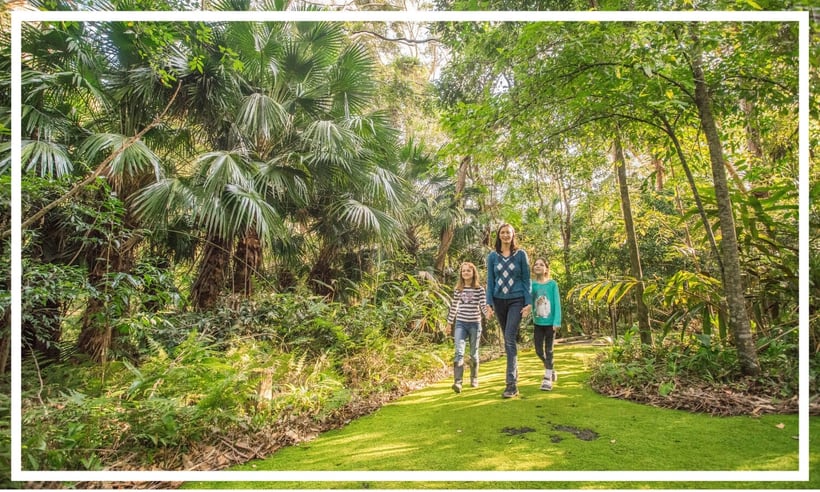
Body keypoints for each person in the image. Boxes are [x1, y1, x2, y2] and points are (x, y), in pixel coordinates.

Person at [485, 223, 531, 398]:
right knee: (507, 339)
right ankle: (515, 374)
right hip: (498, 302)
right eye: (502, 232)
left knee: (510, 338)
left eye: (508, 232)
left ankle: (511, 384)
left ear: (513, 235)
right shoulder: (492, 257)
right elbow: (490, 282)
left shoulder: (520, 255)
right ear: (498, 235)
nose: (505, 235)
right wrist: (488, 304)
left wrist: (528, 303)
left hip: (517, 300)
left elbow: (527, 280)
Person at [445, 262, 490, 393]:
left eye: (468, 271)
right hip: (460, 323)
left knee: (473, 354)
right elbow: (454, 307)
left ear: (473, 273)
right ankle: (458, 382)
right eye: (463, 271)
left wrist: (487, 314)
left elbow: (483, 305)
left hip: (475, 324)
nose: (465, 273)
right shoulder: (458, 289)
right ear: (461, 274)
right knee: (459, 352)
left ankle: (474, 378)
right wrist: (449, 323)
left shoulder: (479, 289)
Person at [531, 257, 562, 391]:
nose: (538, 266)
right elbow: (529, 300)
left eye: (541, 264)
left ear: (546, 269)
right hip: (538, 322)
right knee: (538, 350)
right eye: (536, 264)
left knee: (549, 350)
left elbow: (557, 303)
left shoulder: (552, 284)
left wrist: (557, 321)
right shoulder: (532, 285)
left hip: (550, 323)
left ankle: (547, 378)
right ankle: (550, 367)